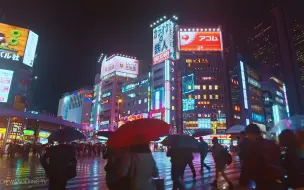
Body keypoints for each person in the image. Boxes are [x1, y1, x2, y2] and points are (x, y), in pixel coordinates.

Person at [239, 124, 282, 190]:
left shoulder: (251, 146)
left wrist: (243, 181)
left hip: (260, 179)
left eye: (248, 135)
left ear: (250, 134)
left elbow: (247, 164)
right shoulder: (271, 143)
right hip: (274, 176)